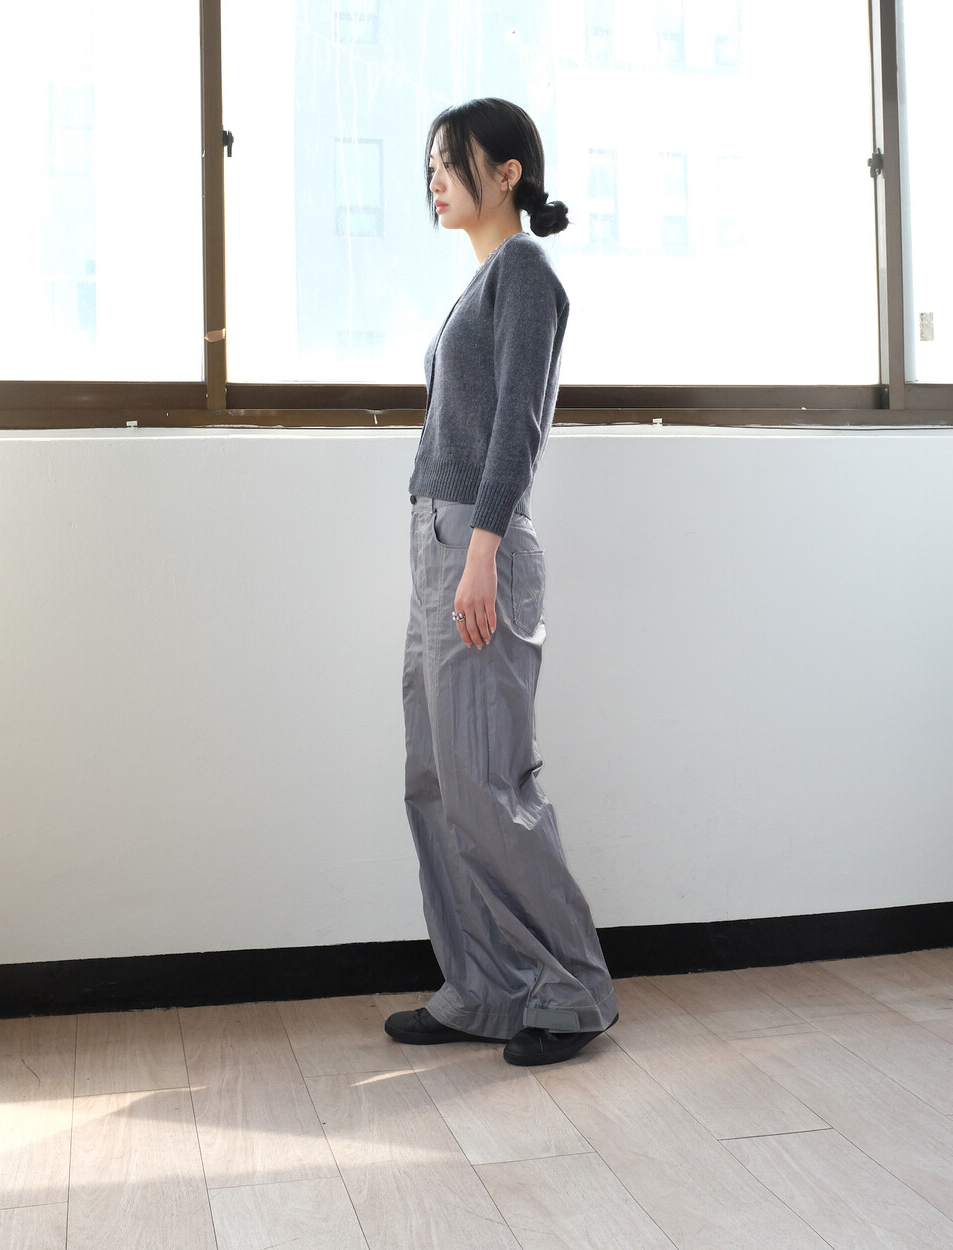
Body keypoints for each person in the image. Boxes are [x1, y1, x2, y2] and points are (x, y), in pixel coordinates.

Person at [385, 98, 617, 1066]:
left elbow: (518, 422)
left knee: (485, 781)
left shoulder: (522, 270)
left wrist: (481, 549)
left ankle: (572, 988)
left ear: (508, 170)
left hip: (476, 544)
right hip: (438, 542)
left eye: (451, 161)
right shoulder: (482, 280)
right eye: (430, 164)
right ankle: (483, 987)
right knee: (435, 779)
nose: (434, 179)